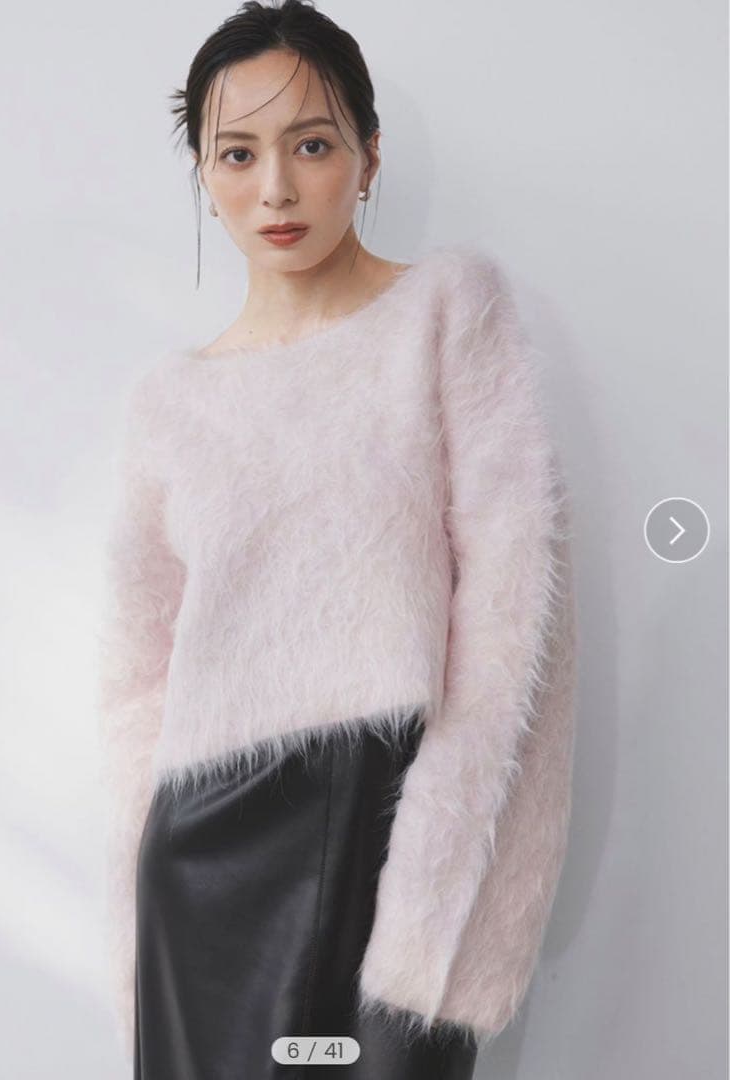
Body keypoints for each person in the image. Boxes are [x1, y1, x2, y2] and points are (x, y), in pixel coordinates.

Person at [96, 2, 578, 1078]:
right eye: (237, 154)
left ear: (368, 156)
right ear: (203, 175)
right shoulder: (169, 403)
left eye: (310, 145)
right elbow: (136, 682)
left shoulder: (446, 313)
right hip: (201, 869)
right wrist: (134, 908)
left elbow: (516, 624)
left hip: (387, 826)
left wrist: (437, 906)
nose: (275, 188)